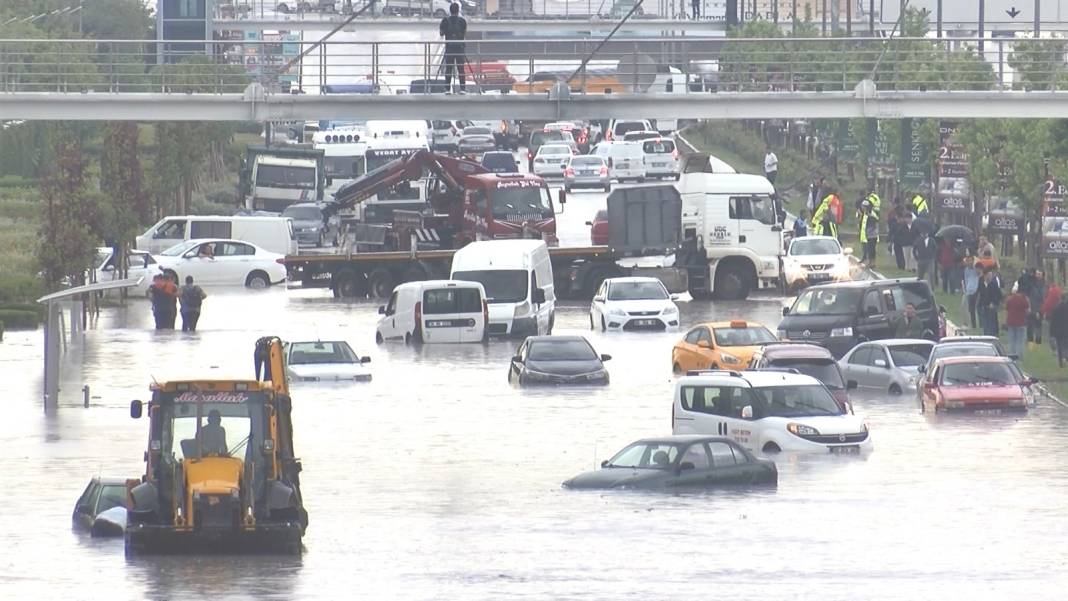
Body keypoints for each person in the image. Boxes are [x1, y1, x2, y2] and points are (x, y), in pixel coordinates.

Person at [439, 3, 467, 93]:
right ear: (458, 10)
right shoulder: (463, 21)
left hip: (449, 48)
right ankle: (462, 88)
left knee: (448, 69)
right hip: (459, 48)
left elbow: (441, 33)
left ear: (450, 10)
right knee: (461, 69)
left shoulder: (445, 21)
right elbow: (464, 33)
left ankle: (447, 89)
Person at [1005, 281, 1030, 358]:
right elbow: (1028, 311)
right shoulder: (1024, 299)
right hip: (1021, 322)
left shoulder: (1009, 299)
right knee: (1020, 341)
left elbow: (1006, 309)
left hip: (1010, 322)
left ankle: (1011, 356)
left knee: (1012, 340)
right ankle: (1019, 356)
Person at [977, 268, 1003, 337]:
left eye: (991, 275)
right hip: (984, 306)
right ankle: (985, 336)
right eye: (989, 275)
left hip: (992, 307)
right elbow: (980, 294)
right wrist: (980, 304)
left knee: (992, 323)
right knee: (985, 323)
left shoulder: (994, 284)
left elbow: (999, 295)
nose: (990, 276)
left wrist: (994, 303)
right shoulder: (981, 283)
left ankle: (992, 336)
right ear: (985, 276)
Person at [961, 258, 981, 329]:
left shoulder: (977, 269)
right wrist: (965, 289)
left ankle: (976, 325)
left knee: (974, 309)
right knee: (964, 307)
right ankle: (968, 324)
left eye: (970, 260)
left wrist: (975, 266)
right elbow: (966, 280)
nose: (968, 262)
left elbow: (979, 274)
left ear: (973, 261)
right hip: (968, 291)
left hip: (976, 291)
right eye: (967, 261)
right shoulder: (966, 270)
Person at [859, 200, 878, 267]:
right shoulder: (864, 214)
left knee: (871, 249)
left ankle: (872, 262)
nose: (862, 207)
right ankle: (868, 261)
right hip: (865, 235)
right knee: (867, 250)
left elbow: (874, 224)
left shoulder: (872, 214)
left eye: (863, 206)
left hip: (872, 235)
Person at [1049, 296, 1068, 366]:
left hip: (1058, 331)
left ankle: (1061, 361)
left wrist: (1051, 332)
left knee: (1059, 346)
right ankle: (1065, 357)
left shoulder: (1056, 308)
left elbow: (1053, 321)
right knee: (1066, 345)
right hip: (1066, 330)